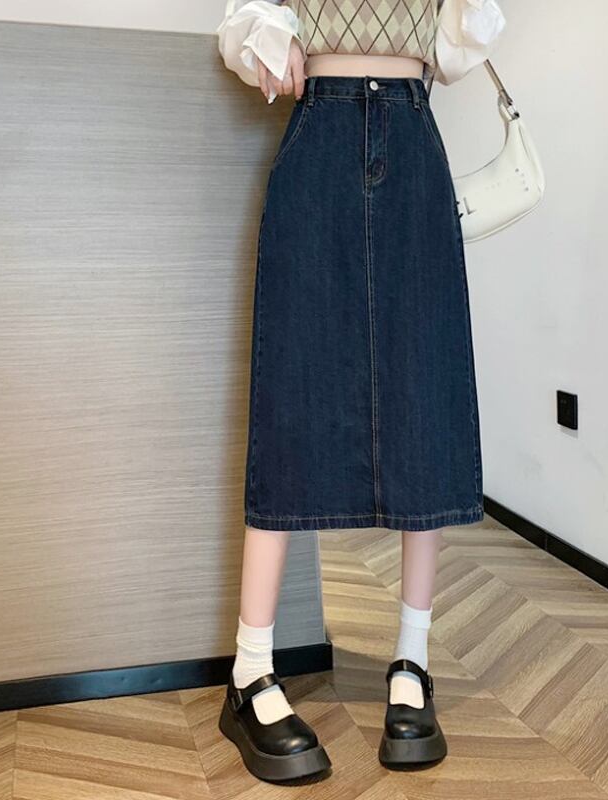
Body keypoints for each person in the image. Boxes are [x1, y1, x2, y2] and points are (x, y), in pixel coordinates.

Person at [215, 0, 506, 783]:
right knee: (292, 394)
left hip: (412, 138)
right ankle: (250, 669)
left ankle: (412, 663)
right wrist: (269, 37)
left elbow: (459, 49)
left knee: (423, 396)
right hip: (320, 134)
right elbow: (240, 26)